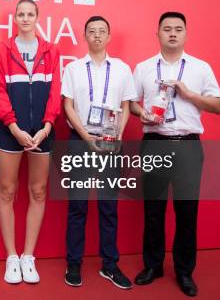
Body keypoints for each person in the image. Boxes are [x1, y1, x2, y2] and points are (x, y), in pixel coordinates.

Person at [130, 12, 220, 297]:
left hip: (187, 145)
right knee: (153, 211)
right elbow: (132, 104)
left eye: (178, 29)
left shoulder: (200, 68)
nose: (172, 33)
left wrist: (190, 95)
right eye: (167, 29)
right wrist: (142, 112)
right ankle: (153, 266)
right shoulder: (144, 68)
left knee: (186, 213)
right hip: (155, 142)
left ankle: (184, 272)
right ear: (157, 34)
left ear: (185, 34)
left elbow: (218, 105)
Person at [61, 16, 136, 289]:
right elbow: (67, 106)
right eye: (91, 31)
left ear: (109, 36)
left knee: (108, 206)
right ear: (85, 36)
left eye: (101, 31)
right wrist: (84, 135)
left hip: (110, 142)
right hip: (80, 141)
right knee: (77, 205)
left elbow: (127, 106)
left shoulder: (122, 69)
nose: (96, 35)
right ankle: (73, 263)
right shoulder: (73, 68)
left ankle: (110, 265)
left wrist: (117, 135)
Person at [0, 0, 61, 284]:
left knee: (39, 191)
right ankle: (11, 256)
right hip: (11, 130)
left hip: (42, 131)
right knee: (7, 191)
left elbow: (56, 91)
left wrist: (46, 127)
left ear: (37, 17)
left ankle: (28, 256)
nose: (25, 18)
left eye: (30, 14)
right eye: (21, 14)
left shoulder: (51, 50)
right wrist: (14, 127)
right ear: (15, 19)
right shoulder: (2, 50)